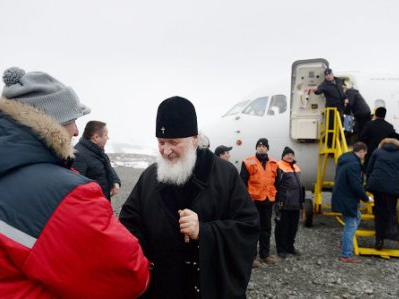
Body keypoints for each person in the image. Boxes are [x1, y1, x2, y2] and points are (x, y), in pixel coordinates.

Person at [0, 67, 150, 298]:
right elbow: (129, 275)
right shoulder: (65, 194)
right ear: (51, 123)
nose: (77, 131)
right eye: (72, 120)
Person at [119, 96, 260, 299]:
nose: (166, 151)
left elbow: (248, 228)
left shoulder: (225, 174)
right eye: (161, 142)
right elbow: (129, 224)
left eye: (174, 142)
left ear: (194, 139)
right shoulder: (149, 176)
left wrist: (204, 231)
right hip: (160, 289)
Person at [366, 133, 399, 250]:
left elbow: (369, 168)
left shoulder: (377, 151)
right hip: (393, 187)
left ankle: (379, 239)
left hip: (378, 186)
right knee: (391, 211)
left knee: (379, 212)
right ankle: (392, 233)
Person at [240, 137, 278, 267]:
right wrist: (244, 200)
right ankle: (252, 257)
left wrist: (278, 199)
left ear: (267, 149)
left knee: (266, 228)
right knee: (253, 228)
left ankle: (265, 255)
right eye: (259, 146)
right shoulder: (248, 162)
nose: (261, 148)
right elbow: (242, 182)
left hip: (268, 201)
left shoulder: (274, 163)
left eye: (264, 146)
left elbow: (277, 182)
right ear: (256, 148)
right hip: (253, 201)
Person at [332, 142, 371, 263]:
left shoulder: (345, 160)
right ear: (362, 152)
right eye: (365, 153)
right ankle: (346, 255)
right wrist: (366, 198)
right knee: (351, 225)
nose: (365, 156)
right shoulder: (354, 164)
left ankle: (343, 243)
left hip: (342, 196)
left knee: (357, 217)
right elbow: (356, 185)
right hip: (348, 198)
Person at [72, 120, 121, 201]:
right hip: (91, 207)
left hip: (101, 203)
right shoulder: (78, 155)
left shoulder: (99, 151)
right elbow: (77, 189)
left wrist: (115, 182)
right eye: (106, 135)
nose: (108, 138)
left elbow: (108, 168)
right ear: (96, 137)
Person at [274, 146, 303, 258]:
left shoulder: (296, 167)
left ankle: (290, 247)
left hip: (295, 204)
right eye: (287, 154)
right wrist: (278, 201)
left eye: (291, 154)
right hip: (284, 204)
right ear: (283, 156)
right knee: (281, 227)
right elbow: (275, 185)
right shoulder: (279, 166)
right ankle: (280, 249)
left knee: (293, 227)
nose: (290, 156)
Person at [308, 68, 346, 146]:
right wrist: (314, 90)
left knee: (340, 125)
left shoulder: (338, 80)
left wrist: (345, 98)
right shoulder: (324, 85)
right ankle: (330, 144)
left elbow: (342, 91)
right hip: (331, 108)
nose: (328, 76)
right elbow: (319, 91)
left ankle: (338, 142)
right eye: (326, 75)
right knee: (331, 126)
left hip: (340, 107)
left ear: (332, 74)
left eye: (329, 74)